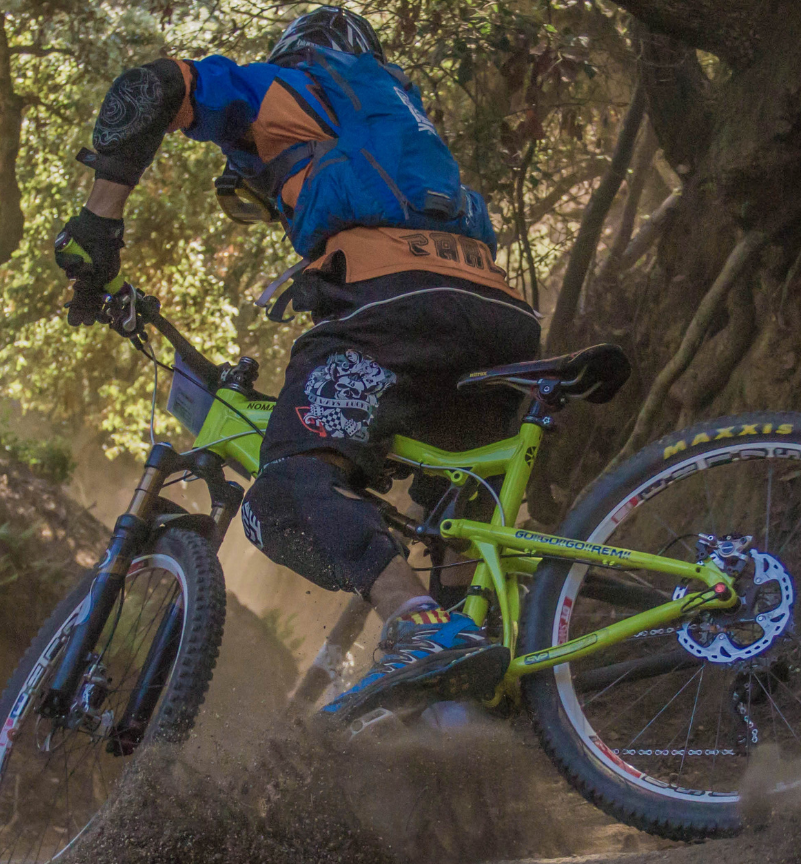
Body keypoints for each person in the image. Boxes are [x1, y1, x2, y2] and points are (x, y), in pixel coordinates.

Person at [51, 6, 538, 721]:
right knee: (452, 513)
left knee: (288, 483)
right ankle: (476, 684)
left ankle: (413, 622)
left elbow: (153, 85)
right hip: (500, 317)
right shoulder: (405, 119)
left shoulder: (295, 84)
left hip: (394, 306)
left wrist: (98, 223)